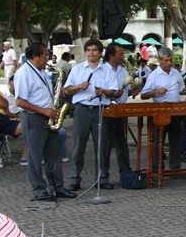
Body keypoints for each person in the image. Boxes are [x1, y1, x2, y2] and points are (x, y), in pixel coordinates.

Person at [14, 42, 76, 200]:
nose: (47, 59)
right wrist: (44, 110)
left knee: (53, 154)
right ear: (35, 57)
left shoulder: (41, 72)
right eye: (44, 55)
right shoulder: (24, 73)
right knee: (35, 156)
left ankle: (57, 186)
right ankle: (39, 189)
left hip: (48, 116)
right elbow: (20, 101)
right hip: (34, 117)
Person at [63, 39, 117, 191]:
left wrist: (103, 91)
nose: (91, 53)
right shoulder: (78, 69)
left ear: (100, 53)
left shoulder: (108, 70)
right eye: (88, 50)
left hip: (100, 110)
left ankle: (102, 178)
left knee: (102, 146)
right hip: (82, 110)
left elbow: (113, 91)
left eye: (94, 50)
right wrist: (80, 86)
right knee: (78, 146)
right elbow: (67, 90)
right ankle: (74, 179)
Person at [141, 48, 186, 172]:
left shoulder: (176, 73)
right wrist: (156, 91)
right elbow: (144, 95)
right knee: (158, 141)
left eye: (170, 60)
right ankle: (156, 168)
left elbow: (180, 89)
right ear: (159, 60)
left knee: (176, 140)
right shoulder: (153, 75)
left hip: (175, 111)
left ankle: (175, 168)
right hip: (160, 112)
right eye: (166, 61)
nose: (169, 63)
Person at [100, 43, 132, 189]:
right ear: (111, 55)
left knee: (122, 143)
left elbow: (127, 90)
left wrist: (132, 91)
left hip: (121, 111)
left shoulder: (123, 70)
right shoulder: (102, 70)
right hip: (107, 111)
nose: (123, 56)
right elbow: (100, 90)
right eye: (120, 53)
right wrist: (113, 93)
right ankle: (103, 177)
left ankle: (125, 173)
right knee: (105, 145)